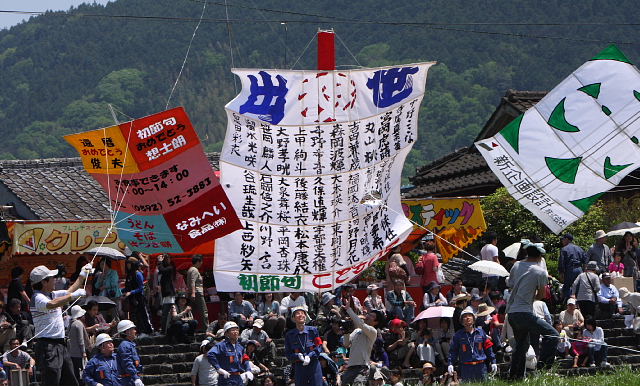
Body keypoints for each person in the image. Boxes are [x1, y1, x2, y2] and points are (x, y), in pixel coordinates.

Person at [29, 263, 91, 386]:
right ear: (44, 282)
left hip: (60, 345)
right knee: (52, 381)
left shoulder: (52, 294)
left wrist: (82, 274)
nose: (55, 280)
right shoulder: (37, 297)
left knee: (70, 381)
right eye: (52, 278)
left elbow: (69, 290)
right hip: (48, 346)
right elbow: (52, 304)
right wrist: (73, 296)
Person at [505, 240, 558, 380]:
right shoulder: (540, 272)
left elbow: (510, 284)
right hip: (525, 313)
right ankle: (543, 365)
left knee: (521, 346)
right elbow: (541, 295)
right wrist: (532, 293)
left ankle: (514, 376)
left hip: (512, 314)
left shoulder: (516, 265)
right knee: (553, 334)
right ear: (540, 257)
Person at [447, 307, 496, 382]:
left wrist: (493, 361)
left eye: (469, 316)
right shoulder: (458, 335)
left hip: (481, 368)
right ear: (462, 322)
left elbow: (488, 348)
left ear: (474, 320)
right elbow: (453, 351)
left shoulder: (481, 332)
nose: (467, 318)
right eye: (465, 316)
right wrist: (450, 364)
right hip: (466, 368)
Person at [341, 301, 384, 386]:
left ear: (376, 322)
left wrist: (349, 310)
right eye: (369, 314)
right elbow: (346, 344)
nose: (368, 316)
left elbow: (361, 324)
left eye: (372, 316)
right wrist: (346, 332)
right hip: (350, 367)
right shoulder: (357, 331)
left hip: (362, 367)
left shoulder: (373, 331)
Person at [284, 306, 323, 386]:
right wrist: (298, 356)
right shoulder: (289, 335)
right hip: (299, 366)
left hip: (314, 365)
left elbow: (319, 346)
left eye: (303, 313)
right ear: (294, 318)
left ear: (305, 317)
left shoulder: (313, 330)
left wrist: (310, 356)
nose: (300, 315)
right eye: (297, 314)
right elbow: (288, 354)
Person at [208, 321, 253, 386]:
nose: (235, 332)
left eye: (236, 330)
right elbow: (210, 354)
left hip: (238, 378)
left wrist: (248, 370)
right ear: (226, 333)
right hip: (226, 378)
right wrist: (219, 369)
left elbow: (245, 359)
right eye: (232, 330)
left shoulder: (240, 347)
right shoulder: (221, 346)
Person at [123, 258, 153, 336]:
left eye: (129, 264)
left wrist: (131, 292)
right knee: (134, 316)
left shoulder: (138, 274)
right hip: (132, 299)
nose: (128, 266)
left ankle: (149, 330)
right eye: (127, 264)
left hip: (139, 298)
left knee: (144, 314)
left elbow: (141, 287)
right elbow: (127, 287)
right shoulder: (129, 275)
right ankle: (138, 331)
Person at [558, 233, 587, 300]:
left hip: (570, 270)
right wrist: (584, 271)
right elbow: (585, 261)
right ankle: (578, 304)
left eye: (563, 239)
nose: (562, 241)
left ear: (567, 239)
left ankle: (569, 304)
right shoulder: (579, 248)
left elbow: (561, 263)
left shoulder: (564, 249)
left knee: (567, 287)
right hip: (579, 269)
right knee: (579, 287)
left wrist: (561, 273)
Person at [116, 320, 144, 386]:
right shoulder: (125, 346)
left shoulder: (130, 344)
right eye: (133, 329)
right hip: (129, 380)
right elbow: (127, 363)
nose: (135, 331)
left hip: (132, 378)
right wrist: (135, 378)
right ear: (127, 332)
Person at [68, 305, 91, 384]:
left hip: (71, 353)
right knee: (81, 372)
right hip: (79, 353)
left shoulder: (71, 323)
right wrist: (84, 352)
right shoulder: (79, 324)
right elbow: (81, 339)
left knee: (76, 373)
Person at [187, 255, 209, 331]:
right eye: (201, 261)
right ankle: (206, 328)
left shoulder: (190, 269)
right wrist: (193, 293)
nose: (202, 263)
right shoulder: (194, 270)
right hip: (197, 293)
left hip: (193, 293)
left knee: (192, 312)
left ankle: (190, 328)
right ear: (198, 261)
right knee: (204, 311)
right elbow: (193, 282)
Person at [156, 253, 176, 334]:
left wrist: (160, 262)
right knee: (165, 313)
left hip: (169, 294)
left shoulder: (170, 268)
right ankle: (165, 329)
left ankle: (164, 330)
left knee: (166, 313)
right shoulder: (162, 268)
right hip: (163, 294)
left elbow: (162, 270)